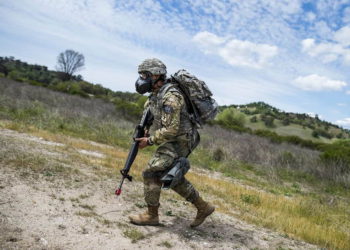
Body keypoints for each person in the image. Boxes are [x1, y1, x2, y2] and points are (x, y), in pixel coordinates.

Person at [129, 58, 215, 227]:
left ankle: (151, 215)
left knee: (151, 171)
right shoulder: (156, 95)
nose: (142, 78)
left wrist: (150, 140)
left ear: (156, 75)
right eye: (141, 74)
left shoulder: (171, 98)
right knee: (168, 175)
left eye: (145, 74)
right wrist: (145, 128)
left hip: (182, 139)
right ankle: (203, 207)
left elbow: (171, 130)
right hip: (176, 138)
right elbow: (151, 113)